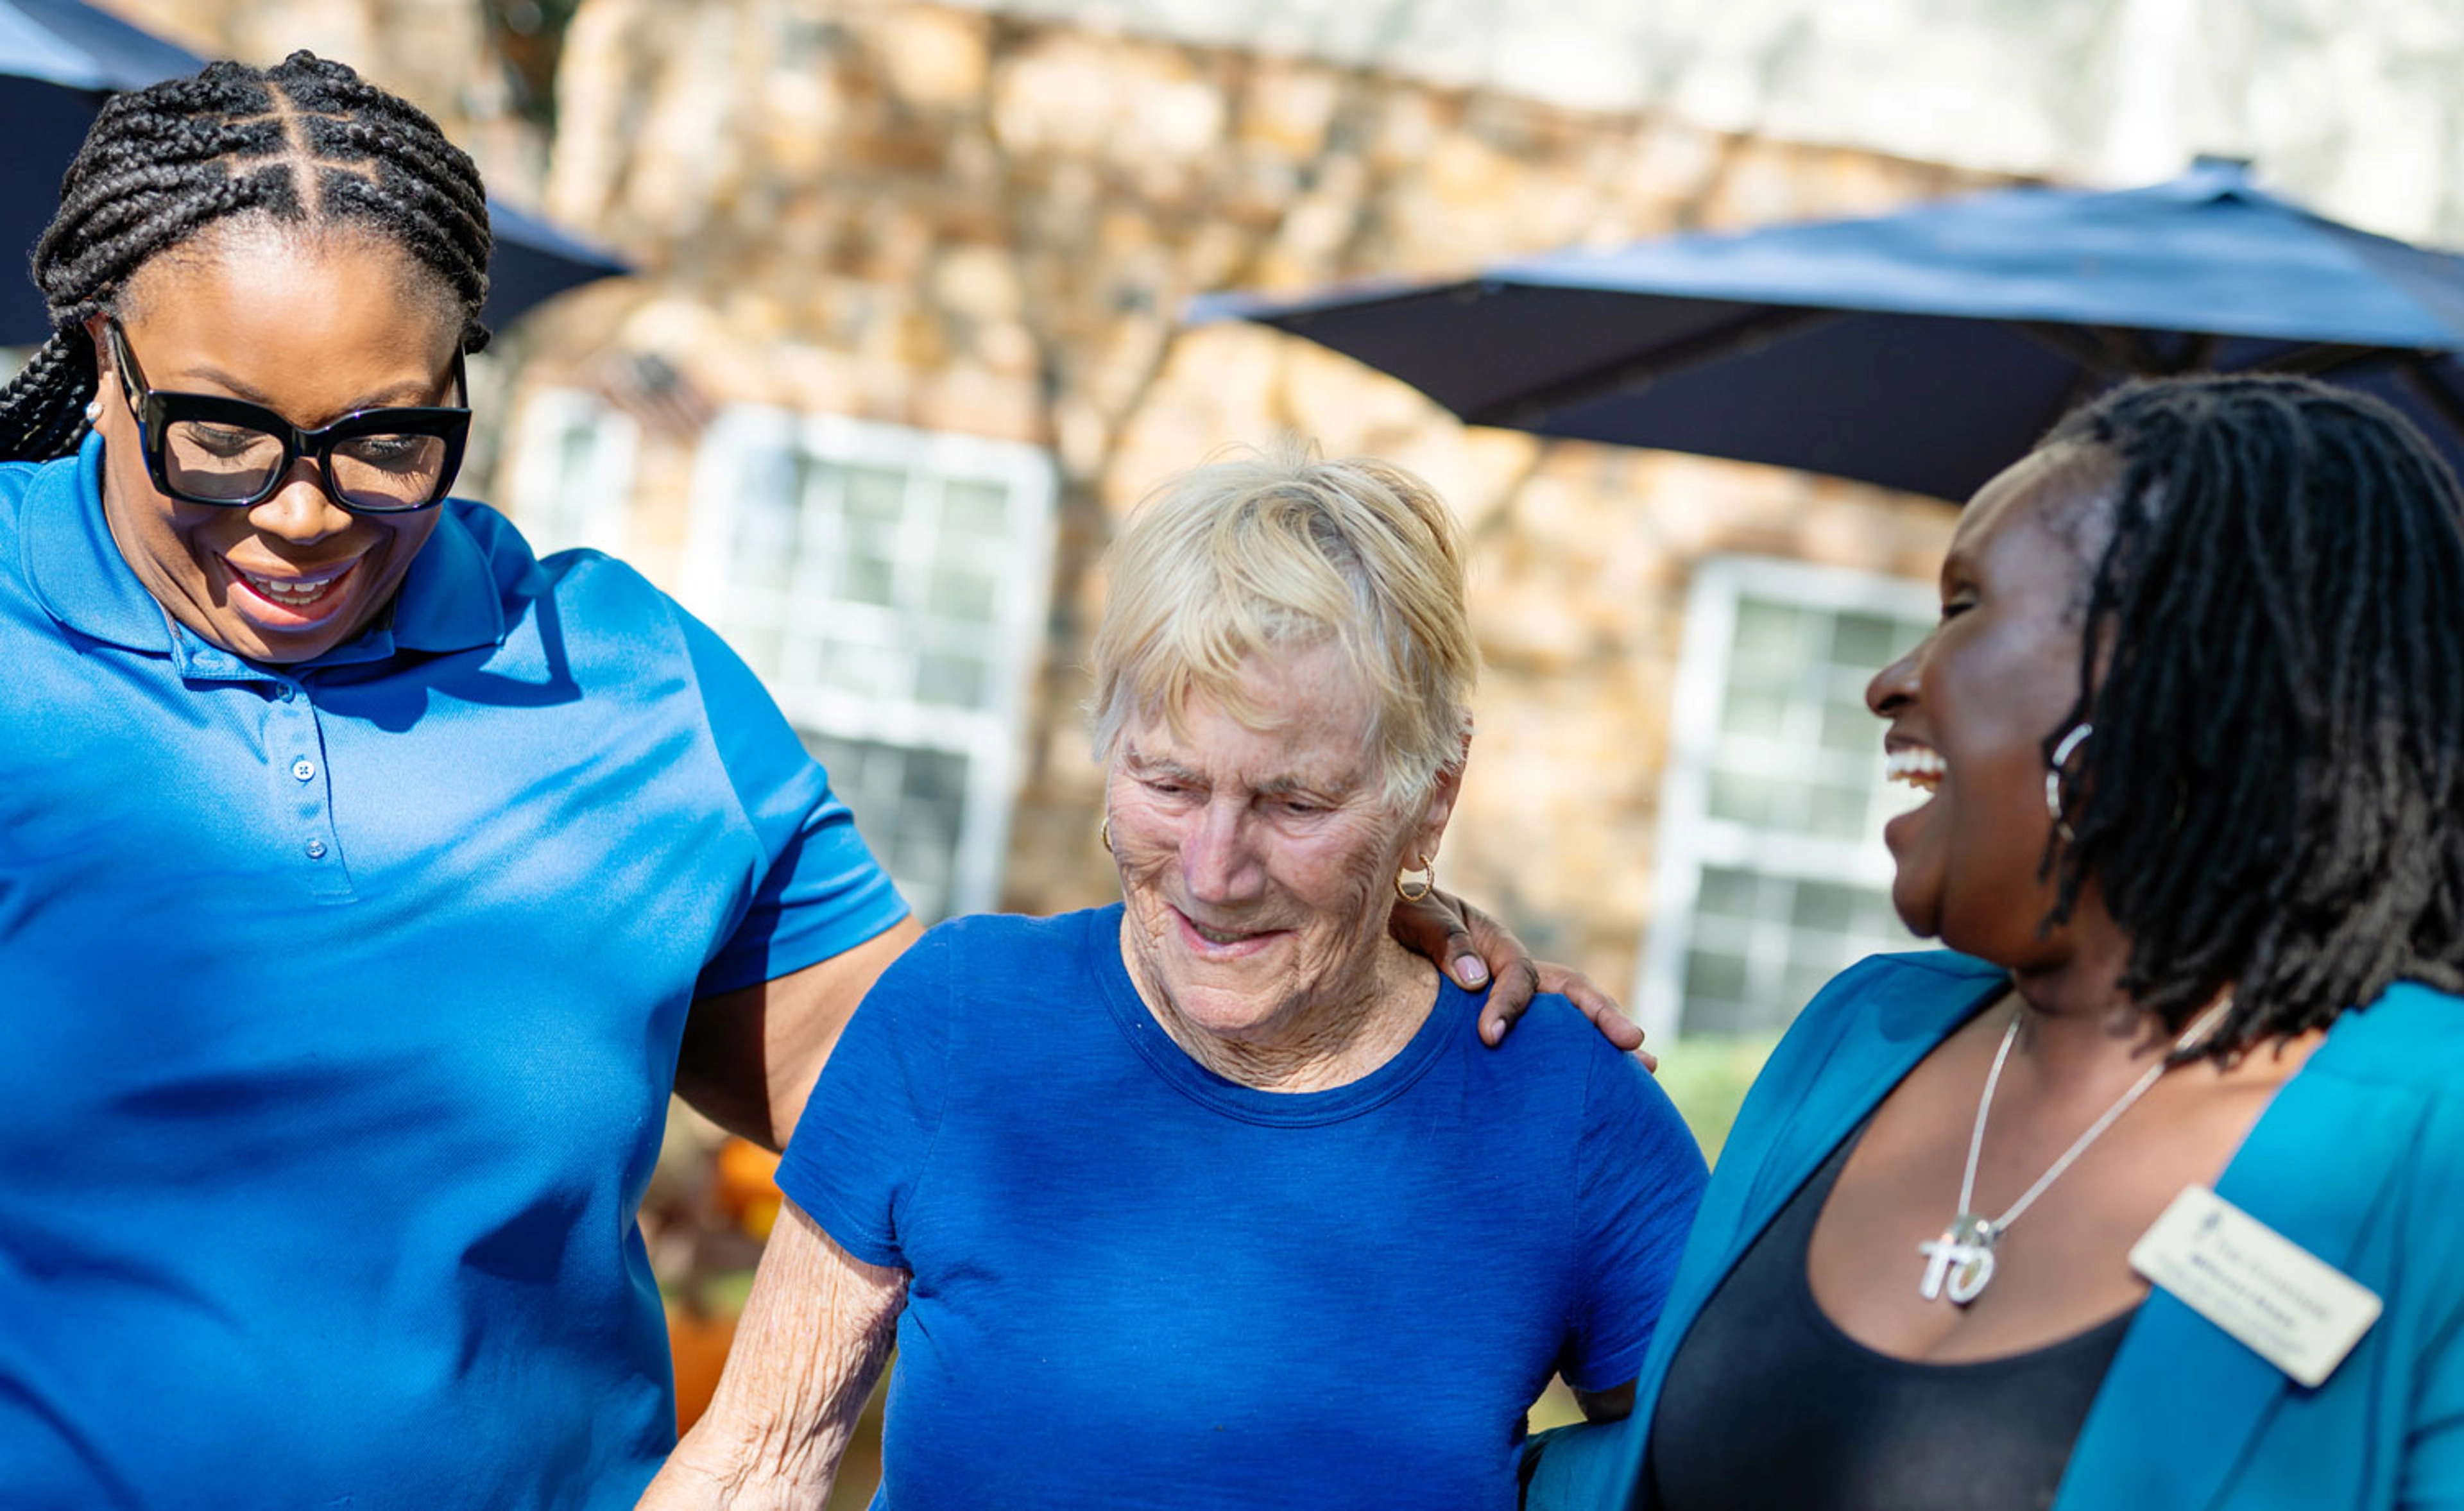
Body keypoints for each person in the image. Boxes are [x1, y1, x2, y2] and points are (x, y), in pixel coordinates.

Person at [0, 55, 1623, 1511]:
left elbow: (993, 1092)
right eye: (217, 436)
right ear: (99, 356)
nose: (302, 513)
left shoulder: (626, 685)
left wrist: (1372, 945)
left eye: (386, 441)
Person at [638, 447, 1709, 1509]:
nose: (1213, 871)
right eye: (1169, 780)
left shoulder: (1560, 1103)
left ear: (1433, 793)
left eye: (1296, 804)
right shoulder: (961, 1014)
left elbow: (1717, 1463)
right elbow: (752, 1465)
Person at [1523, 374, 2464, 1510]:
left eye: (1964, 608)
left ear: (2164, 676)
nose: (1892, 680)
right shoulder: (1858, 1037)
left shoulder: (2428, 1146)